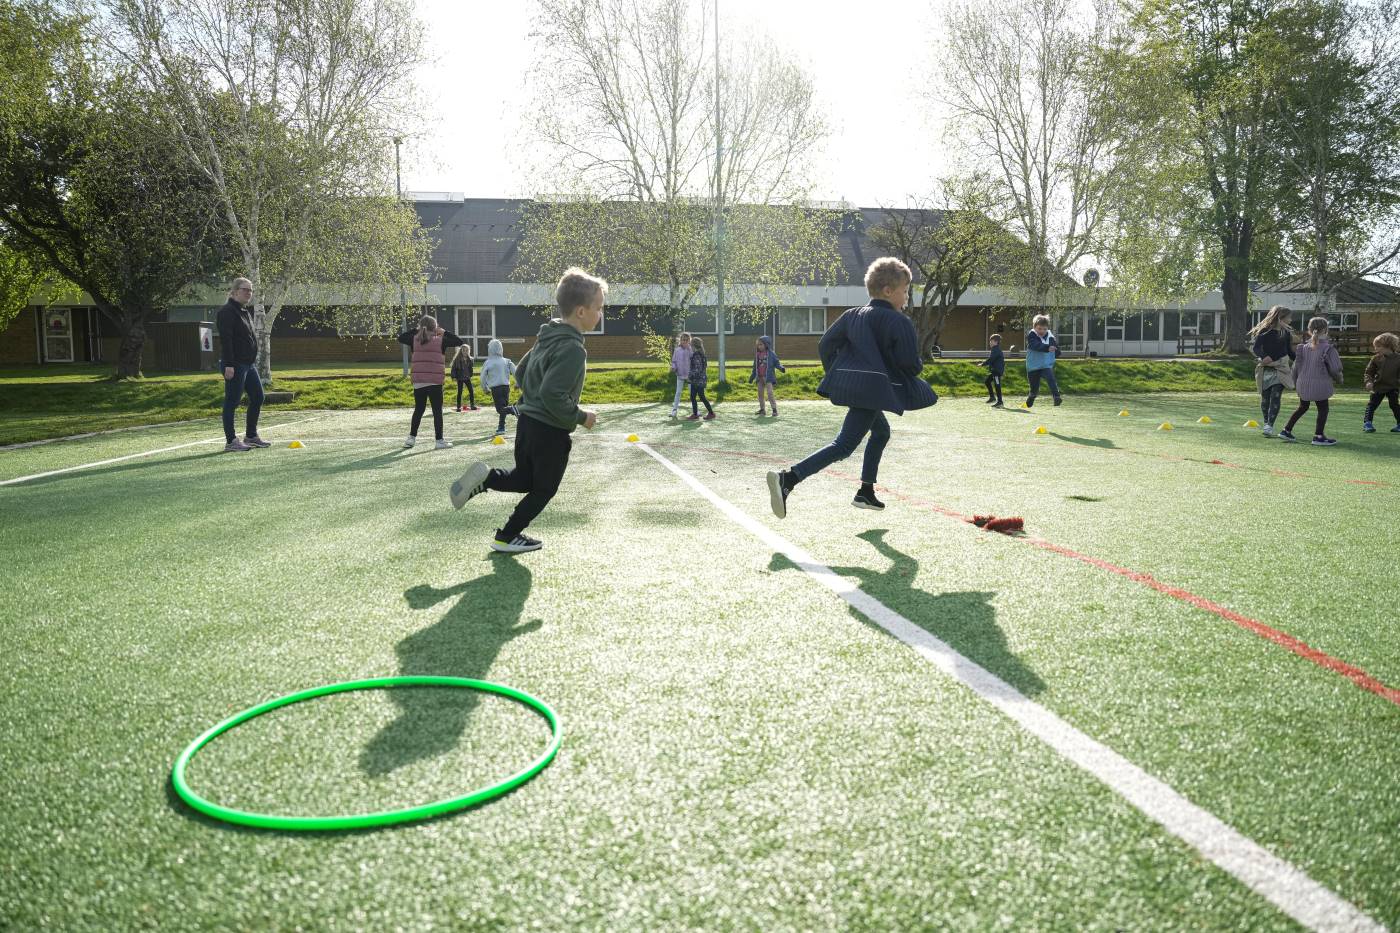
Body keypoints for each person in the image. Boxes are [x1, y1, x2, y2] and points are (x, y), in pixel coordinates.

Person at [766, 257, 936, 518]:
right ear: (888, 291)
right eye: (905, 291)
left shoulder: (851, 315)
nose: (906, 298)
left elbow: (825, 345)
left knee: (881, 432)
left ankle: (865, 492)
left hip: (858, 388)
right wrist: (913, 367)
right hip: (873, 392)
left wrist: (840, 376)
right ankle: (789, 478)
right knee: (844, 445)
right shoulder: (898, 321)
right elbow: (910, 365)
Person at [449, 267, 604, 554]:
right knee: (544, 489)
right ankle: (507, 535)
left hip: (527, 424)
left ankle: (487, 478)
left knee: (525, 479)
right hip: (550, 432)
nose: (601, 314)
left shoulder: (547, 337)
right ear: (581, 311)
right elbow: (553, 394)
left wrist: (532, 401)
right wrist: (582, 417)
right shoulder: (573, 348)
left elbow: (520, 373)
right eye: (599, 308)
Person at [216, 277, 269, 452]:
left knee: (258, 397)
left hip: (248, 364)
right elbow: (226, 340)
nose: (249, 293)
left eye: (250, 290)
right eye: (245, 289)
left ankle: (251, 436)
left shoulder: (244, 311)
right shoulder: (227, 311)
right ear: (235, 291)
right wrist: (229, 365)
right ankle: (231, 441)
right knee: (232, 401)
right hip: (235, 364)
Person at [398, 315, 463, 450]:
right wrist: (444, 332)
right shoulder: (441, 340)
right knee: (437, 411)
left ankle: (411, 438)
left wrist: (416, 330)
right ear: (435, 327)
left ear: (420, 326)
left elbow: (401, 337)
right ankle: (439, 441)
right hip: (435, 382)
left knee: (419, 409)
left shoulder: (414, 339)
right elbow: (458, 341)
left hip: (419, 381)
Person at [1279, 316, 1342, 445]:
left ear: (1309, 330)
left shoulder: (1302, 348)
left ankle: (1286, 430)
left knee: (1303, 407)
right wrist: (1339, 378)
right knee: (1323, 408)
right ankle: (1319, 436)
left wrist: (1295, 382)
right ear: (1325, 330)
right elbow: (1335, 369)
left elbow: (1295, 368)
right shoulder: (1328, 348)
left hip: (1303, 383)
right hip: (1320, 384)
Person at [1249, 305, 1296, 437]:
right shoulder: (1265, 331)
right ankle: (1266, 422)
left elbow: (1289, 351)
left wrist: (1300, 360)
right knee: (1265, 399)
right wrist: (1264, 356)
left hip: (1281, 369)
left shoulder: (1286, 333)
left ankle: (1270, 425)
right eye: (1289, 317)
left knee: (1276, 396)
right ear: (1281, 317)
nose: (1290, 320)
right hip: (1266, 368)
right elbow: (1256, 348)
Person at [1362, 332, 1400, 433]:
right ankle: (1367, 423)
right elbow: (1369, 372)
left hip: (1393, 387)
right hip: (1378, 387)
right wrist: (1368, 382)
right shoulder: (1375, 359)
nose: (1376, 349)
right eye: (1375, 346)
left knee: (1394, 405)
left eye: (1378, 346)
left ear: (1388, 346)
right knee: (1372, 405)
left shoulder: (1398, 359)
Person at [480, 339, 517, 435]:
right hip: (506, 387)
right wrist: (518, 383)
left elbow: (482, 377)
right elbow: (516, 372)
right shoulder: (507, 361)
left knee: (500, 409)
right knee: (504, 408)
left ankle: (514, 409)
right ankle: (501, 427)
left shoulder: (488, 362)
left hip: (496, 389)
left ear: (490, 350)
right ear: (501, 349)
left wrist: (485, 388)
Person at [1024, 314, 1061, 407]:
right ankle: (1030, 399)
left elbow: (1055, 347)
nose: (1042, 331)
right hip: (1033, 366)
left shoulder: (1050, 336)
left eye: (1044, 329)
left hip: (1045, 365)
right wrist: (1047, 348)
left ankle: (1056, 397)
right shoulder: (1031, 335)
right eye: (1039, 329)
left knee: (1051, 378)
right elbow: (1035, 345)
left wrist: (1057, 351)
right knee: (1034, 389)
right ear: (1034, 327)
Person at [749, 335, 786, 416]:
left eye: (761, 344)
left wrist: (781, 368)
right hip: (760, 378)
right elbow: (755, 367)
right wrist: (752, 377)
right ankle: (762, 410)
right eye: (758, 345)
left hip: (768, 378)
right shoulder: (757, 355)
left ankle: (774, 410)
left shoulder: (771, 354)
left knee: (770, 393)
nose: (759, 346)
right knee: (760, 394)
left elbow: (777, 363)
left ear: (766, 344)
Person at [687, 336, 716, 421]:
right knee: (693, 396)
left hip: (698, 380)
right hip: (699, 380)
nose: (690, 346)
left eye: (690, 345)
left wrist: (690, 376)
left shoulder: (697, 355)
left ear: (693, 346)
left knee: (701, 397)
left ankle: (711, 413)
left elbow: (697, 369)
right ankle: (695, 414)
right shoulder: (701, 354)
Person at [977, 333, 1005, 407]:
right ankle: (992, 398)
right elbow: (992, 360)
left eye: (991, 341)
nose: (990, 342)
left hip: (997, 371)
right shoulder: (994, 349)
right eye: (990, 341)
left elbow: (991, 359)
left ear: (996, 342)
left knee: (997, 385)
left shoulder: (996, 349)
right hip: (994, 371)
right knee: (987, 382)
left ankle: (1000, 402)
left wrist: (982, 364)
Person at [669, 333, 693, 418]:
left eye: (687, 340)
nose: (685, 341)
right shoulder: (677, 350)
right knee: (678, 392)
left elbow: (693, 360)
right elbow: (674, 361)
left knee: (692, 393)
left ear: (689, 341)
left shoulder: (690, 349)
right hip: (680, 374)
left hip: (689, 375)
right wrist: (673, 367)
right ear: (680, 340)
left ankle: (695, 410)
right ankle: (674, 410)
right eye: (683, 340)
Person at [450, 346, 477, 412]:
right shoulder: (457, 359)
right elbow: (453, 369)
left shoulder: (470, 359)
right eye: (463, 350)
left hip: (467, 377)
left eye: (466, 350)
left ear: (468, 351)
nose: (465, 352)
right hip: (460, 378)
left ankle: (472, 405)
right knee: (460, 392)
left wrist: (470, 374)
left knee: (471, 391)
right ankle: (458, 407)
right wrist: (453, 376)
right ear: (461, 351)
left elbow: (470, 368)